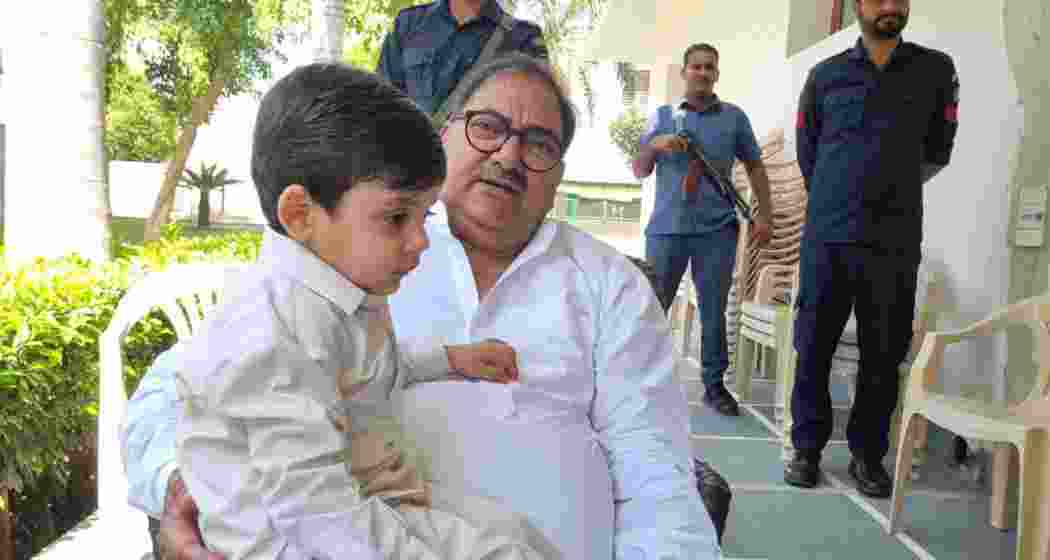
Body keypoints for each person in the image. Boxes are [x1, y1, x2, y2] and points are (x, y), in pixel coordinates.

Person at [123, 55, 722, 560]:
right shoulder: (345, 245)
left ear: (559, 172)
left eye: (539, 143)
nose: (510, 155)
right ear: (444, 133)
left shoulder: (610, 284)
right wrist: (181, 482)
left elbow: (657, 475)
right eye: (488, 126)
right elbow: (175, 392)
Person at [166, 62, 557, 560]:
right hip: (301, 540)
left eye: (423, 216)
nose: (419, 241)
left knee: (514, 534)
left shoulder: (338, 289)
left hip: (363, 503)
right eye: (397, 217)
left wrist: (450, 358)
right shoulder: (268, 335)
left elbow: (360, 371)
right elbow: (319, 518)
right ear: (300, 215)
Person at [785, 0, 959, 497]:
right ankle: (807, 448)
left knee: (883, 355)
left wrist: (887, 192)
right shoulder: (825, 76)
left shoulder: (935, 70)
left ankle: (867, 456)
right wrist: (845, 195)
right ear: (858, 6)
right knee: (813, 346)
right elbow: (809, 154)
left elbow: (936, 152)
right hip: (829, 239)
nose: (890, 5)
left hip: (894, 242)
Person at [633, 43, 772, 417]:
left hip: (717, 229)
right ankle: (637, 380)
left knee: (713, 310)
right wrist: (655, 146)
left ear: (716, 74)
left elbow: (756, 168)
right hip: (667, 228)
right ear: (684, 72)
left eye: (709, 67)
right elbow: (639, 169)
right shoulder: (661, 115)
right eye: (696, 66)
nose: (702, 72)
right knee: (651, 307)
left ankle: (714, 385)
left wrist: (766, 216)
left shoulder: (734, 117)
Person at [376, 0, 547, 118]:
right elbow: (381, 103)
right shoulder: (407, 23)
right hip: (409, 161)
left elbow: (534, 115)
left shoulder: (524, 39)